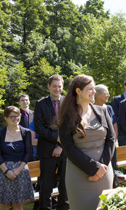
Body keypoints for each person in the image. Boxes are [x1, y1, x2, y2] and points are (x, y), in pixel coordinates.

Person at [58, 75, 115, 210]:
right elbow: (68, 148)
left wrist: (102, 168)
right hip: (79, 174)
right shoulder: (66, 116)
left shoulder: (102, 111)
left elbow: (111, 139)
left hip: (105, 172)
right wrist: (94, 168)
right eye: (90, 89)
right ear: (78, 91)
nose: (94, 92)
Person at [0, 106, 34, 209]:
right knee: (4, 205)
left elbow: (28, 152)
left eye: (17, 116)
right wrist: (7, 171)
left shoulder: (26, 132)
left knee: (18, 204)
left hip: (21, 171)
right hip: (4, 172)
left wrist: (17, 170)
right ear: (6, 118)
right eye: (12, 116)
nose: (15, 118)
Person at [34, 75, 69, 210]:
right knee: (46, 185)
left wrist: (60, 145)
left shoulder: (67, 102)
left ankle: (63, 207)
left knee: (64, 184)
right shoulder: (40, 104)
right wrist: (56, 139)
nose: (57, 89)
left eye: (59, 86)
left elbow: (70, 125)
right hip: (46, 150)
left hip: (65, 150)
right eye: (54, 86)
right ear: (49, 86)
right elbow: (39, 127)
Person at [94, 84, 117, 170]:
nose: (108, 95)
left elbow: (115, 126)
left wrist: (113, 142)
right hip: (98, 147)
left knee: (112, 169)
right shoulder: (90, 109)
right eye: (106, 93)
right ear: (98, 95)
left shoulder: (109, 108)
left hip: (110, 145)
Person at [111, 81, 126, 147]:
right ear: (125, 86)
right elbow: (116, 116)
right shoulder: (117, 99)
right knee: (124, 154)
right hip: (122, 133)